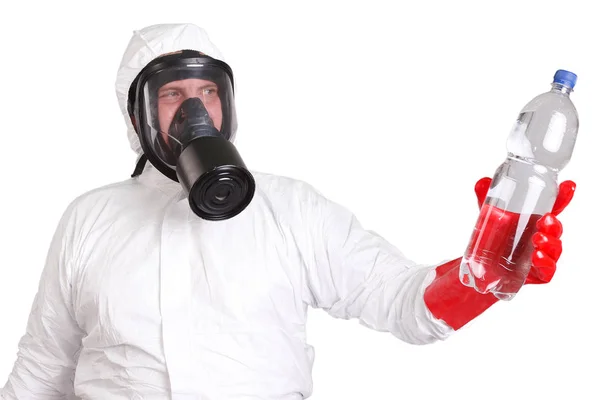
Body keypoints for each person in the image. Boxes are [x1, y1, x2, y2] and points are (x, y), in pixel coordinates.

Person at [0, 23, 575, 399]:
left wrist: (484, 274)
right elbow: (45, 365)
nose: (194, 112)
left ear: (228, 104)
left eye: (208, 93)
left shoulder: (290, 208)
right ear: (138, 116)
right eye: (172, 95)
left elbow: (401, 302)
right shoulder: (91, 218)